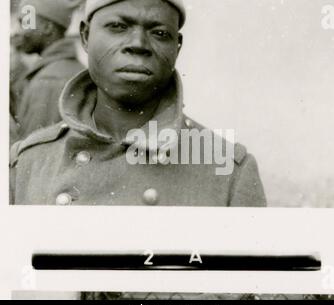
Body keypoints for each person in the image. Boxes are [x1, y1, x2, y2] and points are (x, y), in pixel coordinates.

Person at [10, 0, 267, 207]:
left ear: (177, 47)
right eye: (118, 27)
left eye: (159, 33)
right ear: (86, 36)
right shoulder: (27, 164)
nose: (138, 44)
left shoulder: (228, 171)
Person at [13, 0, 84, 139]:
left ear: (47, 27)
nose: (17, 31)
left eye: (25, 22)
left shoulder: (48, 81)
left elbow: (32, 154)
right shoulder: (74, 69)